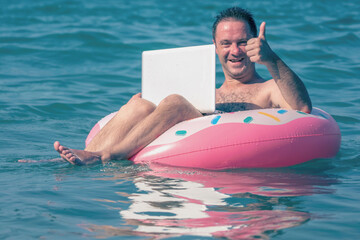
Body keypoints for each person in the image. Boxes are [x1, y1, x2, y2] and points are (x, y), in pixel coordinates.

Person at [54, 7, 312, 165]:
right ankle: (86, 156)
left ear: (255, 41)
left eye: (243, 42)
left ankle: (105, 156)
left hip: (224, 148)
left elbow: (301, 107)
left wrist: (272, 58)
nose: (235, 51)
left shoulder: (268, 88)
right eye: (226, 43)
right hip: (181, 149)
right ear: (214, 46)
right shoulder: (208, 93)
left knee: (176, 102)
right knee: (140, 102)